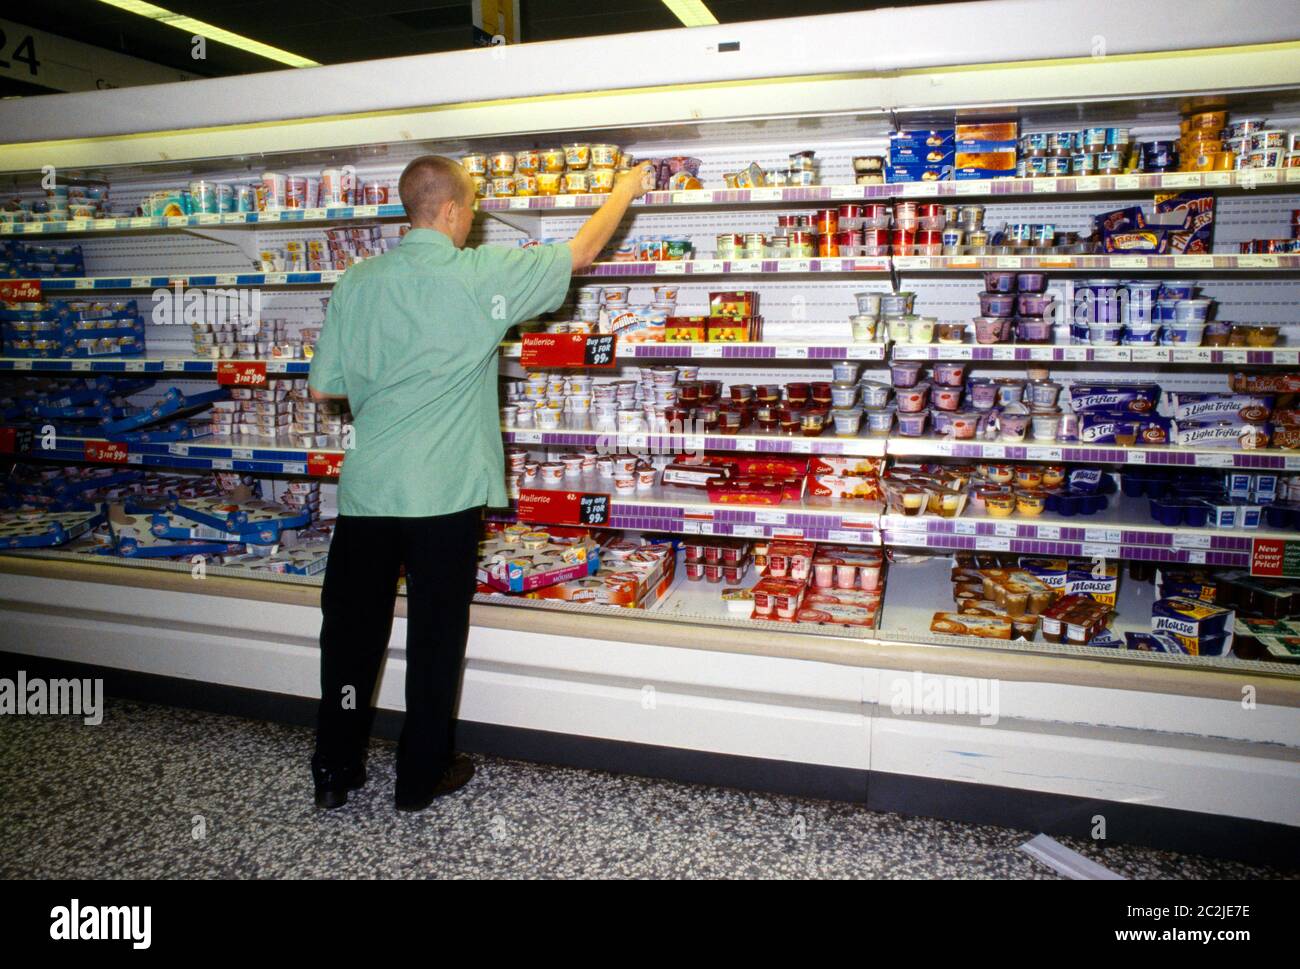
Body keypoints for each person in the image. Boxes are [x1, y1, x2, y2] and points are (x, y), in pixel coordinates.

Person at [307, 154, 654, 811]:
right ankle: (419, 775)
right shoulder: (477, 277)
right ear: (448, 212)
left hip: (368, 494)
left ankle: (335, 767)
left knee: (350, 637)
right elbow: (579, 250)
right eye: (468, 210)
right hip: (444, 496)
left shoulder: (359, 282)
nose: (470, 222)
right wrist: (624, 189)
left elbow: (326, 385)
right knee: (436, 637)